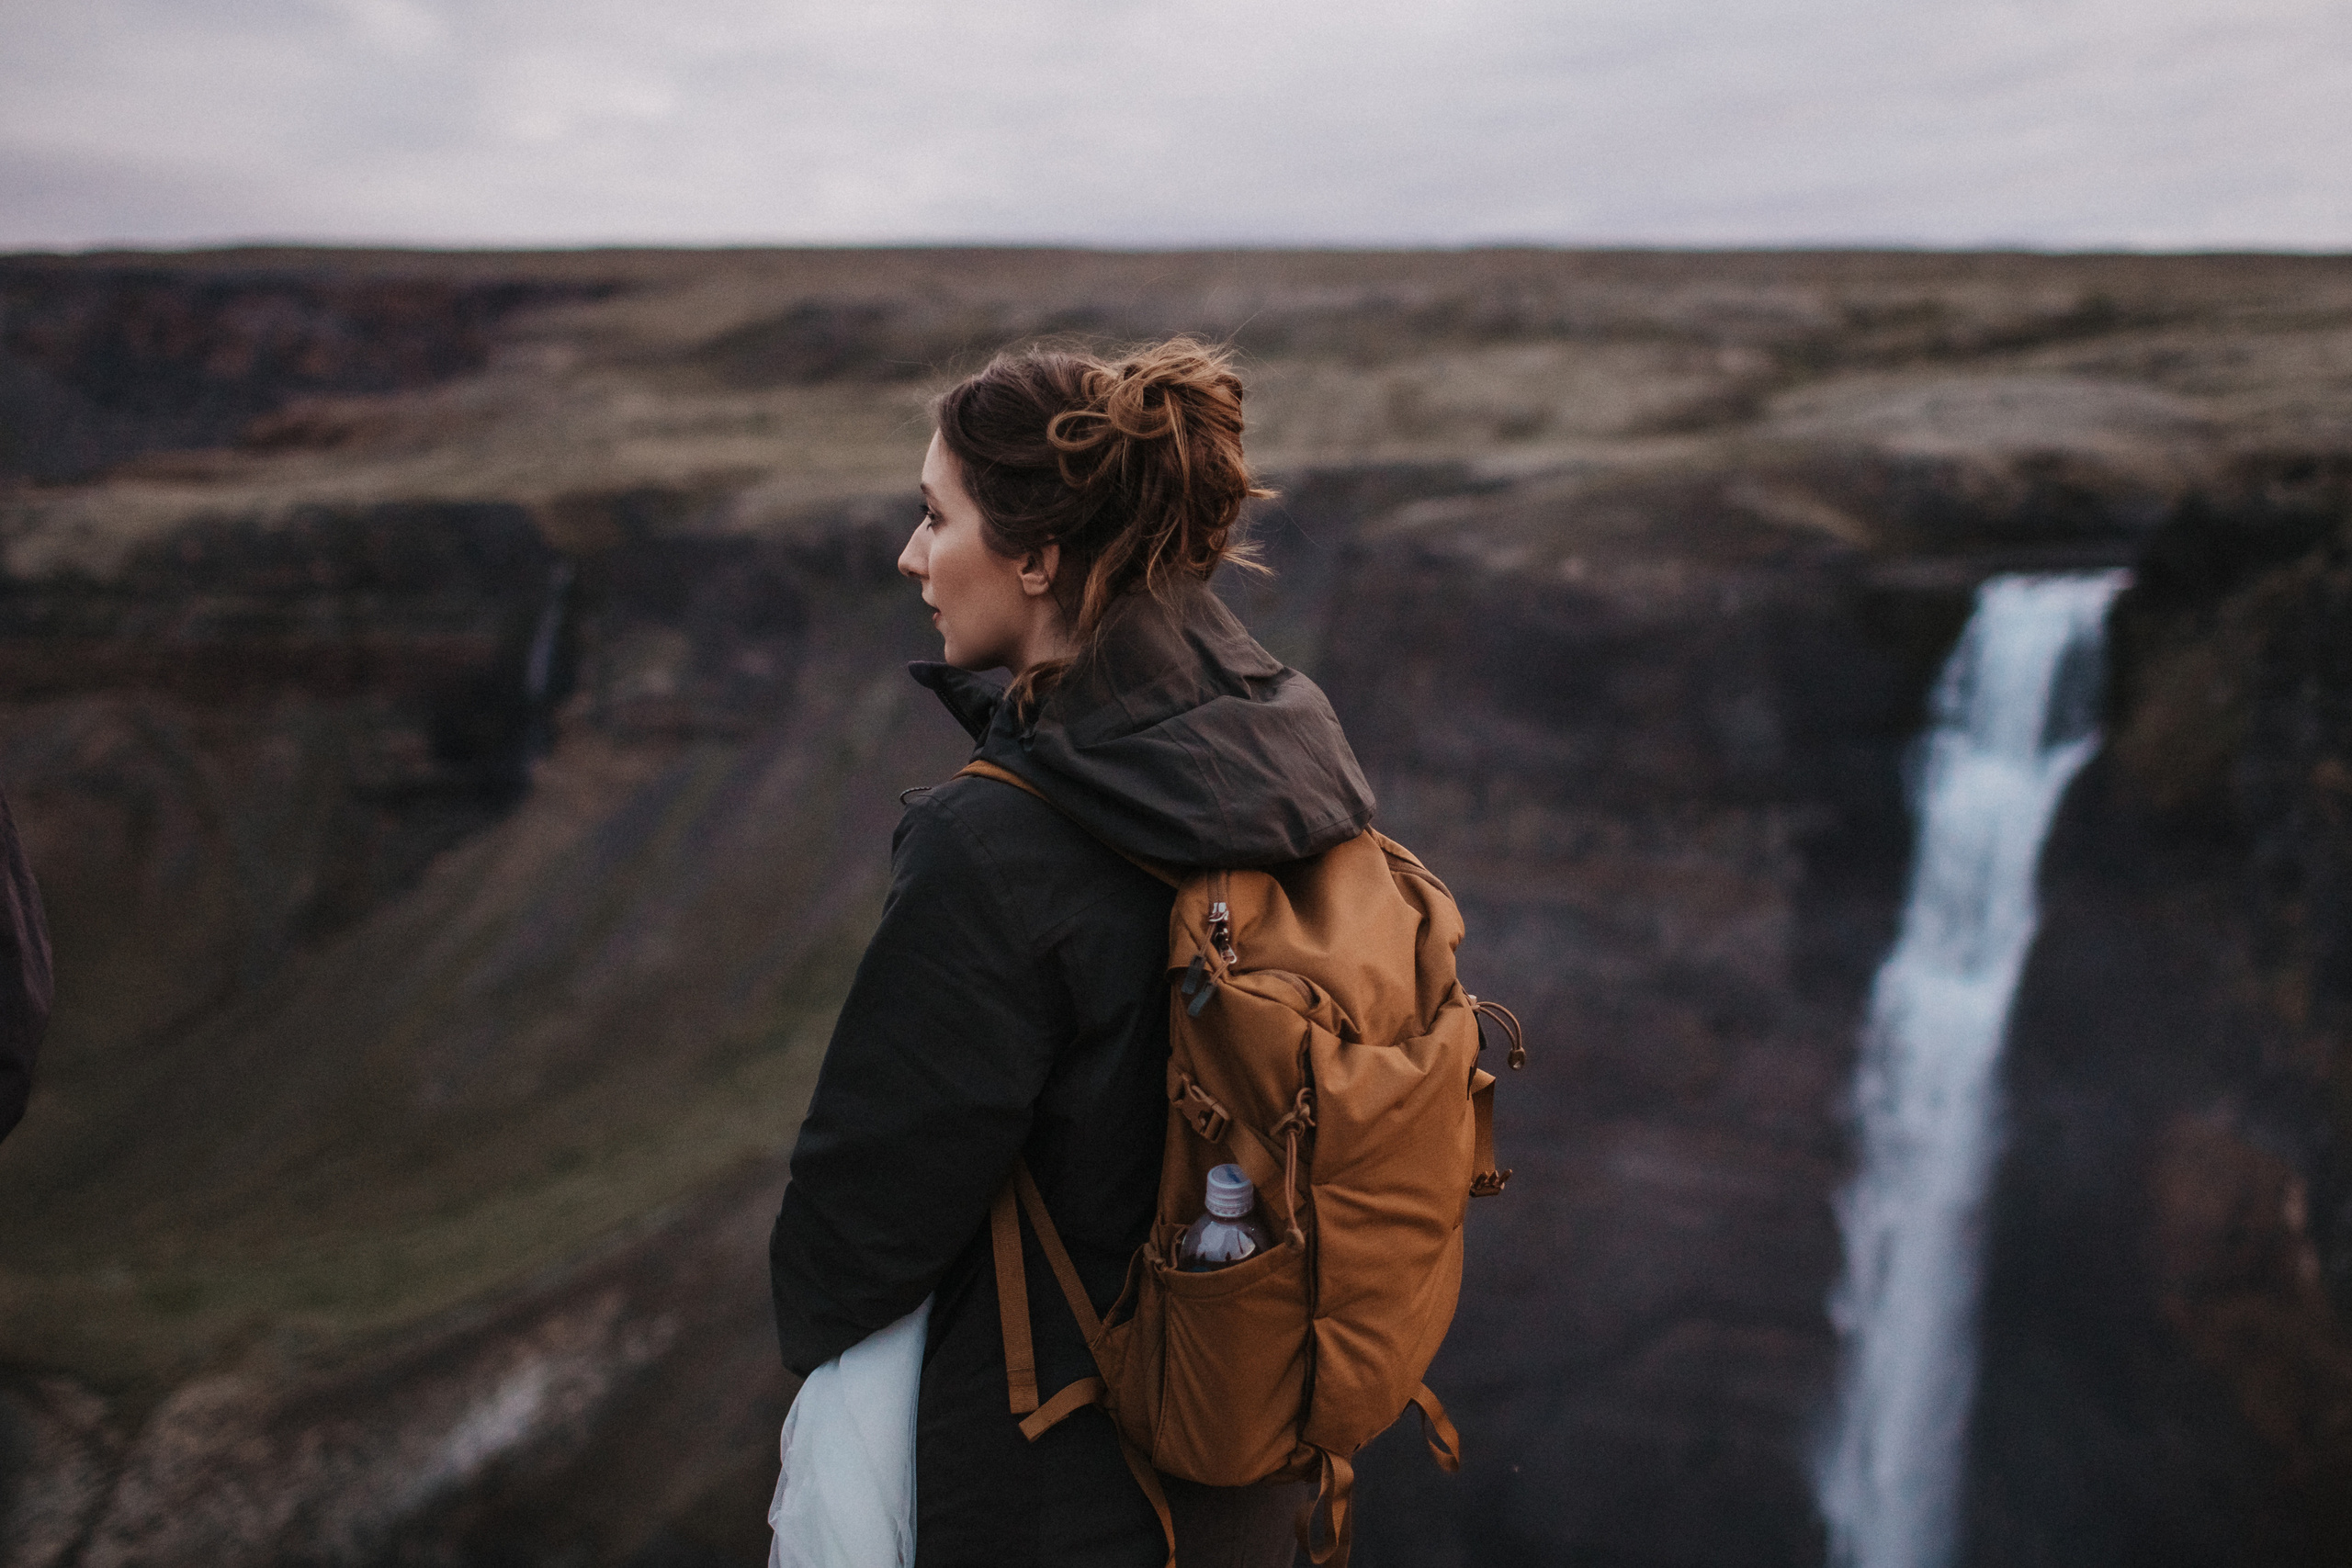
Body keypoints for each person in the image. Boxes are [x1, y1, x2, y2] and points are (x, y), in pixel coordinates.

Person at [767, 338, 1376, 1568]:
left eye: (936, 518)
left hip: (1045, 1498)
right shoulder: (1302, 762)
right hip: (1249, 1479)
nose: (910, 555)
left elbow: (849, 1248)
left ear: (1038, 556)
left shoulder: (989, 842)